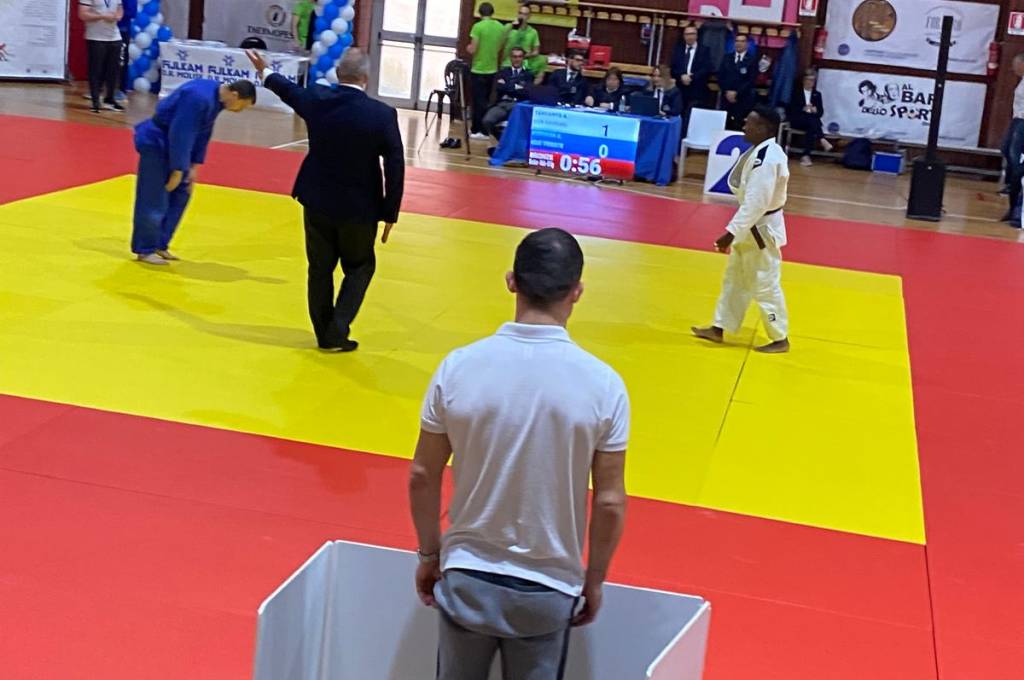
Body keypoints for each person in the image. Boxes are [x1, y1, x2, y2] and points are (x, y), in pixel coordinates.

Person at [409, 227, 629, 679]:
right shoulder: (604, 385)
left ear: (511, 281)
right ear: (577, 291)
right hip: (549, 590)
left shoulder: (458, 367)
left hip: (467, 577)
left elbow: (422, 476)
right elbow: (609, 501)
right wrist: (595, 579)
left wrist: (430, 556)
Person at [247, 48, 405, 352]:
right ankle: (338, 328)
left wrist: (265, 71)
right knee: (360, 266)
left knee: (319, 268)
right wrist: (390, 212)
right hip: (360, 207)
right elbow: (394, 164)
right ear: (365, 78)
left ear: (339, 74)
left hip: (317, 199)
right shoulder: (382, 114)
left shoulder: (317, 100)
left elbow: (288, 90)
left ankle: (324, 333)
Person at [692, 106, 791, 353]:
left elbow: (756, 203)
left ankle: (780, 337)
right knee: (735, 279)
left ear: (764, 128)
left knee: (765, 284)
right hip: (751, 227)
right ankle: (720, 326)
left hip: (760, 230)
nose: (744, 127)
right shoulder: (761, 151)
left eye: (750, 123)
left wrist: (730, 233)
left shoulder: (767, 160)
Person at [130, 79, 256, 265]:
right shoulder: (199, 97)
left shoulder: (217, 99)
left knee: (182, 192)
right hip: (157, 142)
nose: (239, 111)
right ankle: (145, 248)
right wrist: (178, 169)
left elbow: (203, 132)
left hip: (179, 147)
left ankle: (160, 243)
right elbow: (181, 132)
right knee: (154, 196)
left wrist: (194, 166)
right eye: (242, 106)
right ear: (235, 95)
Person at [467, 3, 507, 140]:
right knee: (487, 101)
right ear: (492, 12)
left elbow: (473, 48)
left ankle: (477, 130)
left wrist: (468, 48)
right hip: (492, 69)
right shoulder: (500, 27)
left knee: (477, 101)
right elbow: (501, 44)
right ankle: (485, 129)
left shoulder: (478, 27)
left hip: (478, 69)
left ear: (480, 13)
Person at [79, 0, 125, 114]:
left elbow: (120, 8)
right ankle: (95, 101)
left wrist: (118, 16)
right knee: (96, 70)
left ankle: (110, 98)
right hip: (96, 37)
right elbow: (82, 14)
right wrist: (102, 16)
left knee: (113, 70)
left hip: (114, 36)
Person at [482, 47, 533, 140]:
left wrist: (507, 86)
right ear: (510, 58)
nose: (517, 59)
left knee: (516, 125)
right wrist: (516, 87)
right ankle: (501, 140)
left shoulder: (528, 75)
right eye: (514, 57)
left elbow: (526, 92)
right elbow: (499, 87)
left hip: (518, 105)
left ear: (523, 58)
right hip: (502, 104)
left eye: (519, 57)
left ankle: (507, 142)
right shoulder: (502, 72)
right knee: (487, 120)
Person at [788, 70, 832, 167]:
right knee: (813, 121)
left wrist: (815, 110)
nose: (810, 82)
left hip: (811, 122)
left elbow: (820, 112)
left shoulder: (817, 94)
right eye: (808, 80)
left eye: (812, 80)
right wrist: (803, 108)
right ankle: (822, 139)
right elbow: (791, 109)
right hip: (798, 120)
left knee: (811, 126)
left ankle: (806, 155)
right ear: (804, 80)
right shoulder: (796, 93)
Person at [1002, 53, 1024, 225]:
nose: (1013, 68)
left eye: (1017, 64)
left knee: (1018, 165)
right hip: (1018, 120)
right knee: (1007, 151)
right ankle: (1011, 190)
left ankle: (1017, 208)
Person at [718, 34, 758, 130]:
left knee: (737, 126)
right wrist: (727, 91)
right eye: (737, 41)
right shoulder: (727, 58)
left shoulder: (752, 60)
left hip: (742, 99)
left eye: (742, 41)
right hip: (726, 98)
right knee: (724, 125)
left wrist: (737, 93)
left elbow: (751, 80)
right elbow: (720, 76)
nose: (739, 43)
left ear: (747, 44)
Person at [670, 25, 711, 111]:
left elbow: (706, 68)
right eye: (687, 34)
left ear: (697, 35)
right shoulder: (678, 49)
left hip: (696, 88)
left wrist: (691, 77)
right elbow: (673, 67)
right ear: (684, 36)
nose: (690, 37)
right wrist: (681, 76)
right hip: (680, 87)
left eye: (692, 34)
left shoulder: (704, 50)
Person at [501, 3, 545, 83]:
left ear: (529, 16)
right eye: (520, 13)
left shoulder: (533, 32)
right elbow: (500, 44)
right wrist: (511, 27)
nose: (522, 16)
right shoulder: (509, 27)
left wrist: (524, 55)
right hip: (508, 63)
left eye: (525, 14)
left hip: (524, 63)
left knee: (542, 62)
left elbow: (536, 51)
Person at [115, 0, 137, 101]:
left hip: (122, 30)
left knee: (122, 61)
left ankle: (122, 89)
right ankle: (99, 88)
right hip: (107, 30)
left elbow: (132, 12)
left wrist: (115, 14)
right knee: (104, 59)